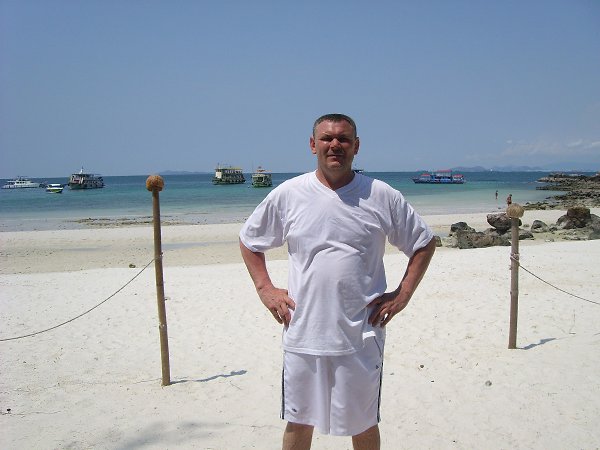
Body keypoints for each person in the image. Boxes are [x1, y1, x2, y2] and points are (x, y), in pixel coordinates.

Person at [239, 113, 436, 450]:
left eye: (343, 139)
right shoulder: (289, 194)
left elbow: (423, 243)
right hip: (303, 333)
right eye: (327, 138)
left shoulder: (380, 195)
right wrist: (265, 289)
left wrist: (402, 295)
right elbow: (249, 240)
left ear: (356, 146)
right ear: (312, 145)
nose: (335, 145)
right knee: (299, 422)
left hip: (360, 336)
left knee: (363, 423)